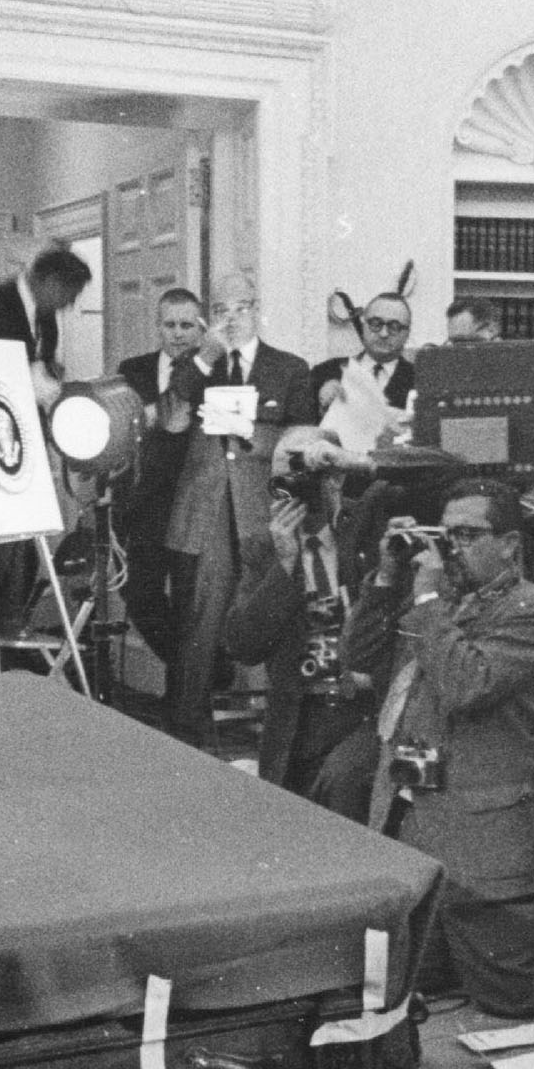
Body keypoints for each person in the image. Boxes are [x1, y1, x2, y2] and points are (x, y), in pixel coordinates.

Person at [348, 483, 534, 1019]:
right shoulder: (437, 598)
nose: (451, 548)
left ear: (510, 544)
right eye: (445, 535)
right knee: (384, 985)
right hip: (410, 819)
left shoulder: (532, 609)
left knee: (513, 999)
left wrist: (426, 601)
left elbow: (468, 685)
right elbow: (359, 657)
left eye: (467, 535)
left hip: (480, 840)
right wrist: (385, 579)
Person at [162, 279, 320, 746]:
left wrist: (255, 434)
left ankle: (270, 723)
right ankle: (188, 726)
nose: (232, 317)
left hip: (263, 501)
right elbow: (177, 403)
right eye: (222, 308)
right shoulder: (198, 364)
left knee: (267, 604)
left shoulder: (288, 368)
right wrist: (205, 355)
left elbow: (303, 434)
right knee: (202, 612)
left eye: (242, 307)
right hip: (208, 502)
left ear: (258, 310)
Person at [222, 431, 380, 811]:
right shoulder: (263, 550)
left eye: (301, 477)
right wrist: (285, 564)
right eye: (281, 482)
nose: (291, 491)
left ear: (334, 477)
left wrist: (352, 459)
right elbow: (242, 645)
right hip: (298, 719)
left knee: (343, 784)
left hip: (361, 713)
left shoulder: (366, 533)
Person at [111, 286, 207, 684]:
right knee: (140, 597)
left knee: (192, 604)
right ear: (158, 327)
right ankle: (204, 672)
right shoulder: (131, 370)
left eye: (187, 325)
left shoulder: (214, 372)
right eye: (170, 324)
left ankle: (184, 696)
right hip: (146, 502)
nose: (179, 333)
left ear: (200, 328)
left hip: (194, 499)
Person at [0, 240, 94, 394]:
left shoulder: (47, 312)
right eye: (70, 295)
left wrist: (51, 372)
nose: (70, 304)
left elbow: (44, 360)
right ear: (51, 283)